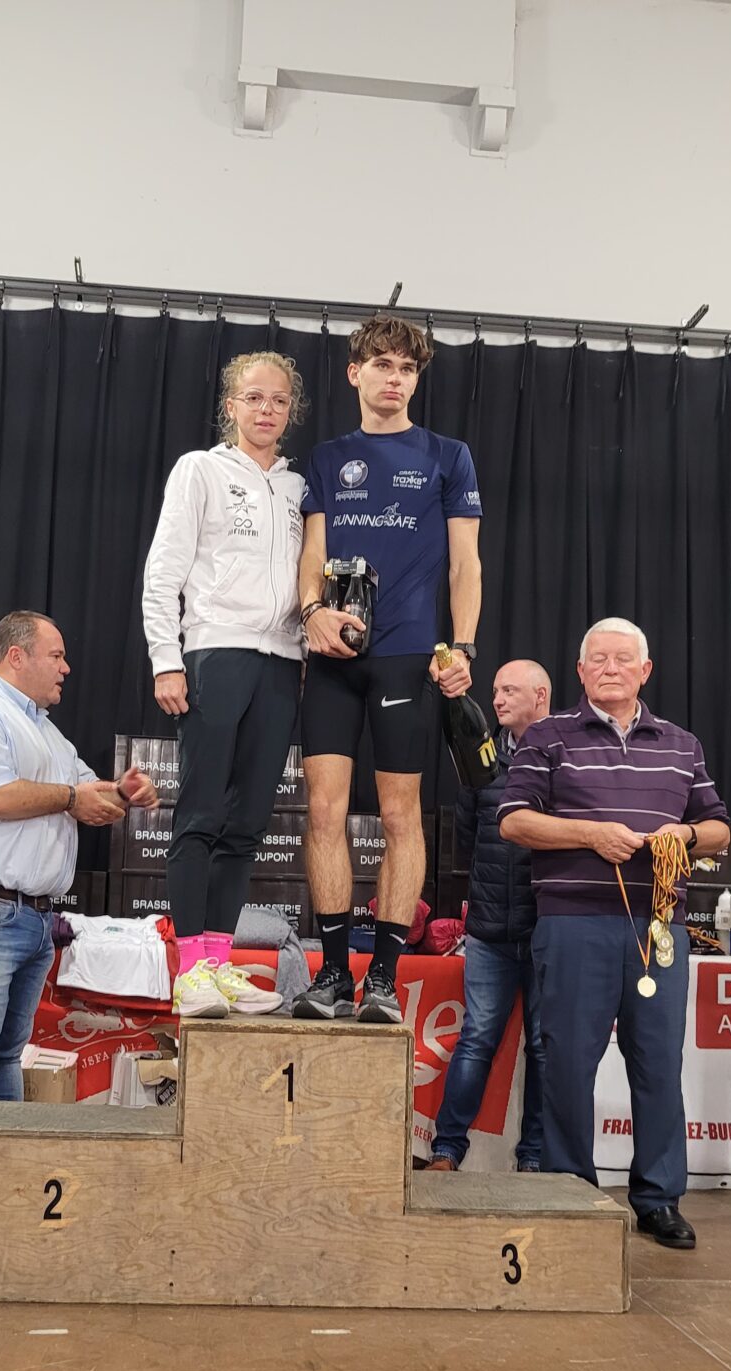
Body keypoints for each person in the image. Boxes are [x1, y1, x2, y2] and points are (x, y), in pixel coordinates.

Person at [0, 611, 157, 1240]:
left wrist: (122, 792)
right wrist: (73, 798)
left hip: (32, 917)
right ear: (16, 656)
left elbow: (87, 792)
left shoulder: (45, 732)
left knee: (2, 1056)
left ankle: (2, 1180)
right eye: (57, 655)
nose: (67, 667)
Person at [498, 618, 730, 1249]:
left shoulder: (681, 744)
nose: (610, 668)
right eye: (597, 659)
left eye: (623, 659)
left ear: (644, 671)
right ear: (580, 672)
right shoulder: (548, 736)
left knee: (658, 1066)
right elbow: (514, 821)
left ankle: (658, 1198)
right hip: (573, 925)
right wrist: (590, 834)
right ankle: (570, 1190)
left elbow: (718, 829)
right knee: (568, 1065)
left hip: (658, 927)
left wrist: (686, 834)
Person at [293, 314, 483, 1024]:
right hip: (335, 657)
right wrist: (312, 611)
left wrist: (462, 647)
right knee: (323, 811)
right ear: (355, 373)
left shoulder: (447, 456)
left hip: (408, 657)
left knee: (401, 814)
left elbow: (466, 564)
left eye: (406, 368)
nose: (394, 378)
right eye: (382, 365)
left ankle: (383, 978)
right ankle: (333, 973)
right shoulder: (327, 457)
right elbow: (312, 552)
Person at [141, 352, 307, 1020]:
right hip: (215, 651)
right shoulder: (201, 469)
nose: (267, 410)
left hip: (282, 661)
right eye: (254, 398)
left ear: (291, 411)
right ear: (231, 405)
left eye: (279, 401)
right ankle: (189, 970)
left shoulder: (298, 487)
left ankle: (217, 962)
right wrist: (166, 658)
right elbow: (163, 571)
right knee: (202, 813)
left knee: (247, 824)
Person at [428, 660, 551, 1173]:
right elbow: (465, 841)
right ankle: (446, 1150)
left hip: (547, 933)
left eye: (509, 691)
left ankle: (534, 1159)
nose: (496, 700)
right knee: (477, 1039)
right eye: (495, 690)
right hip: (488, 933)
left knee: (544, 1048)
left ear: (540, 696)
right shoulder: (479, 761)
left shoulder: (565, 757)